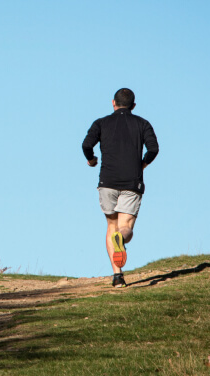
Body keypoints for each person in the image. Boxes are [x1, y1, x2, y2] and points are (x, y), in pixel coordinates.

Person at [82, 88, 159, 288]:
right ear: (133, 106)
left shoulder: (101, 123)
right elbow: (153, 149)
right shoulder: (142, 124)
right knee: (126, 228)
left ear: (113, 103)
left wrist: (91, 160)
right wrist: (143, 164)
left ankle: (117, 276)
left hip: (107, 181)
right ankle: (121, 239)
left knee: (111, 226)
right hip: (132, 182)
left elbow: (86, 145)